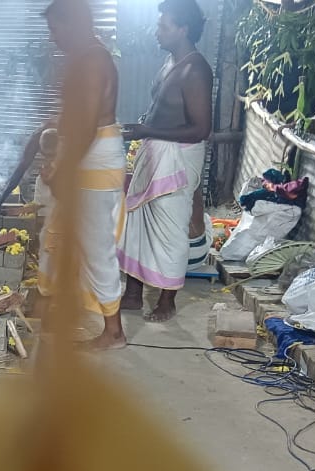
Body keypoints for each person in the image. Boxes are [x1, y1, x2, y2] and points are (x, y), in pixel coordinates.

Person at [116, 0, 212, 323]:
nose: (156, 31)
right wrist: (143, 127)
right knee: (137, 223)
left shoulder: (196, 69)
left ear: (183, 29)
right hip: (154, 151)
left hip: (177, 158)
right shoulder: (169, 62)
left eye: (163, 26)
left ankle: (167, 300)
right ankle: (133, 293)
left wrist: (148, 130)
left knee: (170, 230)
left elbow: (201, 129)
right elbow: (161, 108)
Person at [43, 0, 127, 349]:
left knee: (96, 247)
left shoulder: (93, 60)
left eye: (55, 29)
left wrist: (63, 171)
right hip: (87, 158)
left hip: (95, 162)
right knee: (64, 237)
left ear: (74, 23)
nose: (53, 37)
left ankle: (114, 331)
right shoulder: (85, 59)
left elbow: (88, 125)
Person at [0, 120, 55, 216]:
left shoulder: (69, 139)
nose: (47, 158)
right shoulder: (34, 141)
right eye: (45, 154)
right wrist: (1, 199)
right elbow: (19, 171)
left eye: (51, 155)